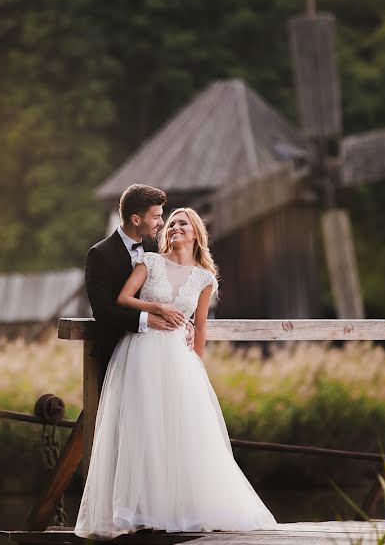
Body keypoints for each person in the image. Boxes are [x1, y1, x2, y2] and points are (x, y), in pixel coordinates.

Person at [75, 207, 277, 539]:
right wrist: (157, 308)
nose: (173, 228)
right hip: (140, 352)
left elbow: (200, 328)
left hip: (177, 359)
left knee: (180, 430)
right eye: (170, 224)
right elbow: (123, 299)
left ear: (196, 232)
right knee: (143, 427)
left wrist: (195, 366)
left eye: (181, 223)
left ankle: (178, 509)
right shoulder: (150, 262)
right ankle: (138, 512)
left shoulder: (204, 278)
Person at [83, 184, 192, 394]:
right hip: (116, 353)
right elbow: (102, 311)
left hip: (160, 353)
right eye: (156, 217)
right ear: (136, 219)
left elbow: (175, 291)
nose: (162, 223)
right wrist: (147, 319)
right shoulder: (100, 255)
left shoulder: (157, 249)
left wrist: (190, 323)